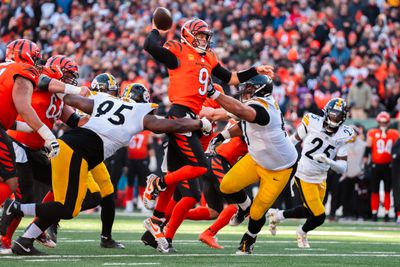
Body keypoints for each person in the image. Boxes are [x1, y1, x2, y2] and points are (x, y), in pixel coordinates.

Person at [0, 77, 212, 255]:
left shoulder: (106, 101)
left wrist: (47, 84)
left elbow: (75, 100)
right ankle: (17, 208)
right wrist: (199, 123)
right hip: (78, 151)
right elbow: (172, 125)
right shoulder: (139, 113)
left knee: (83, 198)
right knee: (68, 207)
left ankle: (25, 241)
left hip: (73, 147)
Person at [141, 17, 274, 253]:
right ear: (189, 35)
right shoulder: (179, 50)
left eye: (205, 36)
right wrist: (157, 29)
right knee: (200, 168)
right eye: (200, 36)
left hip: (190, 119)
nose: (204, 40)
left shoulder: (209, 57)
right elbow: (151, 47)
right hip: (181, 116)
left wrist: (254, 70)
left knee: (187, 189)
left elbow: (231, 78)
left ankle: (156, 222)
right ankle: (156, 183)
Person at [207, 74, 298, 254]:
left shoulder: (263, 110)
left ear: (259, 90)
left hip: (279, 168)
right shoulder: (258, 106)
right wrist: (222, 136)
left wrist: (213, 94)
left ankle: (249, 239)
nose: (245, 91)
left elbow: (244, 114)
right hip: (257, 158)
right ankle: (244, 207)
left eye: (249, 88)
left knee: (257, 213)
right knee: (227, 186)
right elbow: (243, 124)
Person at [268, 98, 355, 248]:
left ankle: (277, 215)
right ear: (326, 113)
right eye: (333, 114)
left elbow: (342, 167)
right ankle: (301, 232)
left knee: (309, 211)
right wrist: (278, 154)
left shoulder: (344, 134)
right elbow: (293, 141)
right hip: (304, 174)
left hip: (321, 176)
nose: (335, 118)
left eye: (339, 116)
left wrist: (329, 162)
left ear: (344, 118)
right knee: (319, 216)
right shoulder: (311, 121)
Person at [0, 39, 59, 212]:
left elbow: (7, 118)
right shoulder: (22, 69)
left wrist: (31, 128)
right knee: (11, 182)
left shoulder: (3, 68)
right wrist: (49, 136)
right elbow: (24, 108)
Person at [364, 111, 399, 221]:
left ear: (388, 122)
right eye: (381, 122)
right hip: (375, 165)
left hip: (389, 166)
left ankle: (387, 213)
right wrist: (366, 161)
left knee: (388, 190)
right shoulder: (372, 132)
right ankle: (374, 212)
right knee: (374, 190)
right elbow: (368, 148)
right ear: (378, 122)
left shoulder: (394, 133)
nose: (383, 124)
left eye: (385, 122)